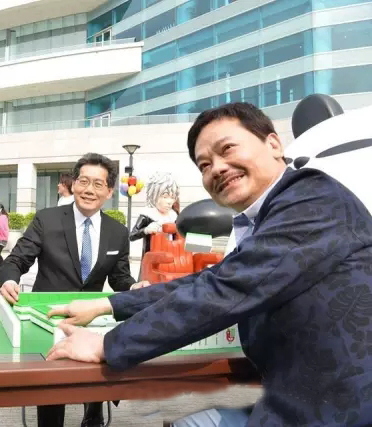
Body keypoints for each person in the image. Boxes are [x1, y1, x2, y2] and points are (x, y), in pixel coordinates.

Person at [46, 102, 372, 427]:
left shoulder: (311, 200)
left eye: (227, 148)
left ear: (273, 144)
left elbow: (223, 290)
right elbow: (211, 280)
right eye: (204, 164)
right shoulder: (270, 215)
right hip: (294, 406)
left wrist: (107, 344)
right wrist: (109, 304)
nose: (216, 168)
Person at [0, 153, 142, 427]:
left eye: (98, 184)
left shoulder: (117, 232)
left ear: (109, 191)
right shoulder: (47, 220)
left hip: (93, 319)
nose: (89, 190)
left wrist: (134, 286)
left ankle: (93, 413)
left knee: (100, 369)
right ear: (74, 184)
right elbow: (16, 260)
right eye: (84, 181)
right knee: (52, 393)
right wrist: (8, 280)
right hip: (49, 320)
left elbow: (120, 278)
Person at [129, 171, 180, 278]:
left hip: (173, 260)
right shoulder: (147, 215)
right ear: (154, 195)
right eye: (165, 196)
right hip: (151, 260)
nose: (169, 202)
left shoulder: (174, 215)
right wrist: (146, 230)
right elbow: (132, 235)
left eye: (172, 197)